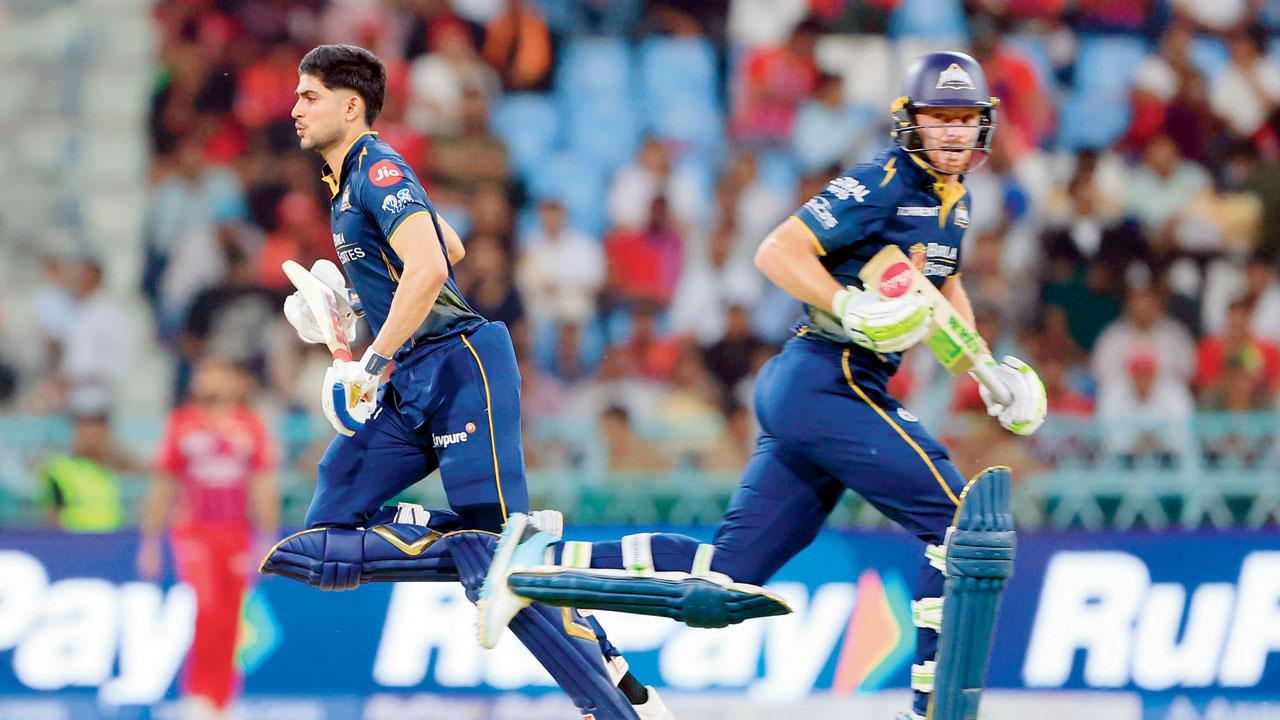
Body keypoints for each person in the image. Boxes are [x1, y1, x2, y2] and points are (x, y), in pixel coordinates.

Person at [479, 52, 1048, 720]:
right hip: (828, 377)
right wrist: (848, 303)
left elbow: (942, 287)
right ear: (910, 121)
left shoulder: (956, 201)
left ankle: (537, 561)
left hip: (827, 388)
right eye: (939, 116)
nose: (952, 131)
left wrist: (984, 369)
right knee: (957, 525)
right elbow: (778, 250)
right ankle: (928, 712)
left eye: (964, 118)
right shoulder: (882, 180)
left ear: (983, 124)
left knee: (723, 580)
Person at [257, 45, 667, 720]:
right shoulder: (346, 183)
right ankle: (511, 546)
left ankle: (618, 706)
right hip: (415, 377)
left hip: (459, 364)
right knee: (332, 523)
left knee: (499, 576)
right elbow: (449, 246)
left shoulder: (378, 169)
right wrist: (357, 304)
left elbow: (429, 268)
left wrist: (370, 361)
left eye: (309, 96)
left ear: (351, 106)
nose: (295, 108)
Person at [138, 358, 279, 719]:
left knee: (231, 616)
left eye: (218, 373)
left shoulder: (250, 425)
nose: (209, 380)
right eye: (204, 373)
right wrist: (150, 542)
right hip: (194, 533)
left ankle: (222, 698)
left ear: (234, 381)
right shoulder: (182, 423)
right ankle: (198, 694)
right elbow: (164, 485)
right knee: (207, 609)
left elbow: (262, 485)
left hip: (237, 534)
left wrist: (267, 538)